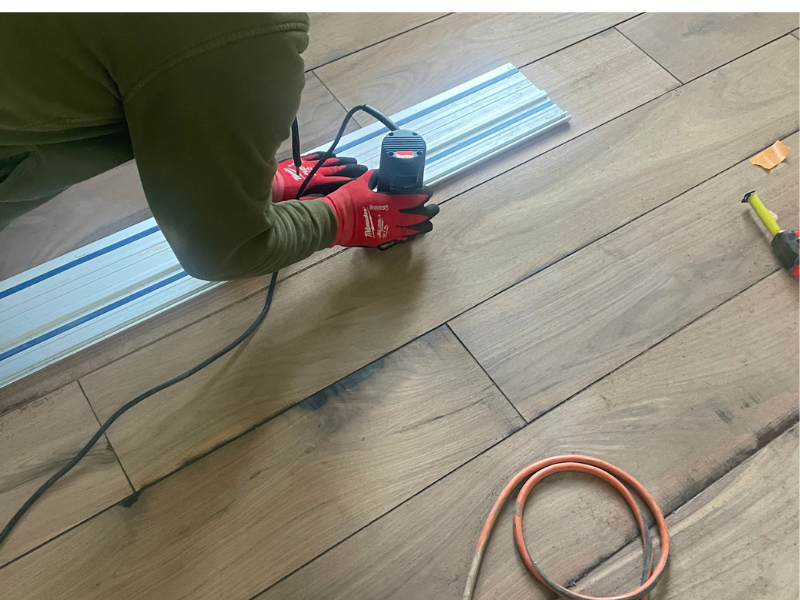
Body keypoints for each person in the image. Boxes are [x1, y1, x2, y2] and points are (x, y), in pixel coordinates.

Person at [0, 13, 438, 281]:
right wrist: (337, 217)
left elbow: (165, 73)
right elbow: (224, 252)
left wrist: (240, 176)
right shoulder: (241, 31)